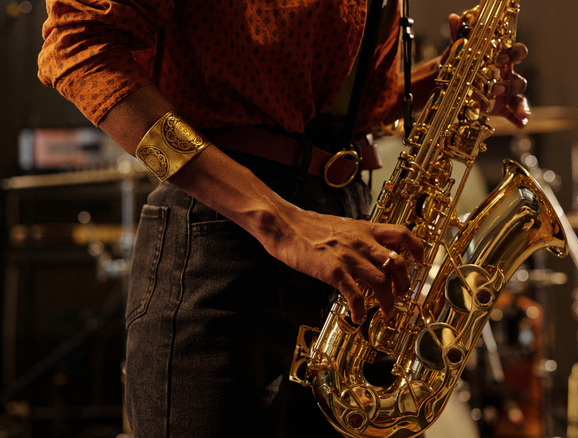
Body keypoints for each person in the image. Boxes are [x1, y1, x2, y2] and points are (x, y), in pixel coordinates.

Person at [37, 0, 531, 436]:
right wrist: (282, 222)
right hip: (223, 235)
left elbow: (331, 108)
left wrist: (448, 80)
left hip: (342, 232)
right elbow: (80, 47)